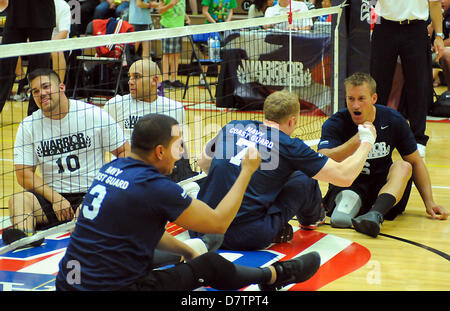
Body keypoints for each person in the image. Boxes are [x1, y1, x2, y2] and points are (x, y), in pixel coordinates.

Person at [55, 113, 322, 291]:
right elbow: (218, 224)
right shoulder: (156, 187)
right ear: (160, 151)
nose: (181, 152)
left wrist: (185, 250)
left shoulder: (110, 169)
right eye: (177, 145)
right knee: (209, 266)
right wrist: (246, 171)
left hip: (67, 282)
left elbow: (140, 228)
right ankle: (277, 275)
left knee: (167, 253)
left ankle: (191, 251)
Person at [192, 90, 377, 250]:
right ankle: (312, 219)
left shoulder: (232, 126)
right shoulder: (290, 145)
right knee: (304, 177)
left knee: (261, 177)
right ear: (293, 120)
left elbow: (203, 162)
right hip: (244, 237)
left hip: (202, 226)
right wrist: (367, 141)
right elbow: (344, 177)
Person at [2, 68, 130, 245]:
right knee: (18, 200)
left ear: (61, 87)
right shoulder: (29, 125)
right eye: (35, 91)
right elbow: (24, 174)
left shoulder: (92, 114)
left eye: (46, 87)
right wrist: (56, 199)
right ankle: (26, 238)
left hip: (92, 191)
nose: (42, 94)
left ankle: (89, 224)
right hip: (53, 196)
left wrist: (101, 189)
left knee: (102, 211)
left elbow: (125, 152)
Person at [318, 72, 448, 238]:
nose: (355, 105)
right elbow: (322, 157)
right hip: (349, 184)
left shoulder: (392, 119)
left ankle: (375, 214)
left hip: (384, 188)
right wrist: (357, 141)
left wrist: (430, 203)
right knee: (340, 221)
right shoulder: (336, 122)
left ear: (373, 98)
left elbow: (416, 162)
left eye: (361, 99)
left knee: (404, 165)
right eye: (351, 99)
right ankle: (360, 209)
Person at [370, 0, 445, 158]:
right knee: (378, 84)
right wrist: (373, 23)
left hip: (416, 28)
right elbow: (371, 3)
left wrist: (439, 35)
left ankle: (418, 139)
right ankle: (375, 136)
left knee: (418, 85)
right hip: (384, 27)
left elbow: (435, 2)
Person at [103, 59, 196, 182]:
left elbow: (177, 145)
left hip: (163, 174)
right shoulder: (116, 104)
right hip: (129, 173)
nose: (130, 82)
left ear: (155, 80)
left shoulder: (175, 108)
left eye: (137, 77)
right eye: (129, 77)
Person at [0, 0, 55, 116]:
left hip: (41, 15)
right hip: (16, 14)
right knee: (4, 65)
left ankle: (35, 115)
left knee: (39, 71)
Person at [158, 0, 190, 89]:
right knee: (167, 54)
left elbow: (180, 8)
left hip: (179, 28)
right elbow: (160, 10)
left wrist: (186, 17)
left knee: (176, 54)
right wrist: (171, 4)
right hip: (168, 27)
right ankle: (165, 80)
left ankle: (174, 79)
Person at [51, 0, 72, 82]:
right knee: (13, 46)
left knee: (56, 52)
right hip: (37, 42)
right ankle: (22, 81)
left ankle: (58, 87)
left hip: (58, 44)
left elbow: (63, 34)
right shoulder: (34, 5)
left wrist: (46, 44)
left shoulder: (62, 5)